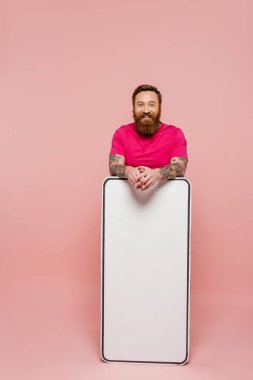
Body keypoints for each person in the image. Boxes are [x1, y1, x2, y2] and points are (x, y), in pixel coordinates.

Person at [109, 84, 188, 191]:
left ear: (159, 108)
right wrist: (129, 171)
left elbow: (180, 167)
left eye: (151, 105)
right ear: (133, 108)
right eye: (140, 105)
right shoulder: (121, 133)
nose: (146, 110)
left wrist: (156, 174)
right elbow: (114, 166)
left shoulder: (175, 134)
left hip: (168, 202)